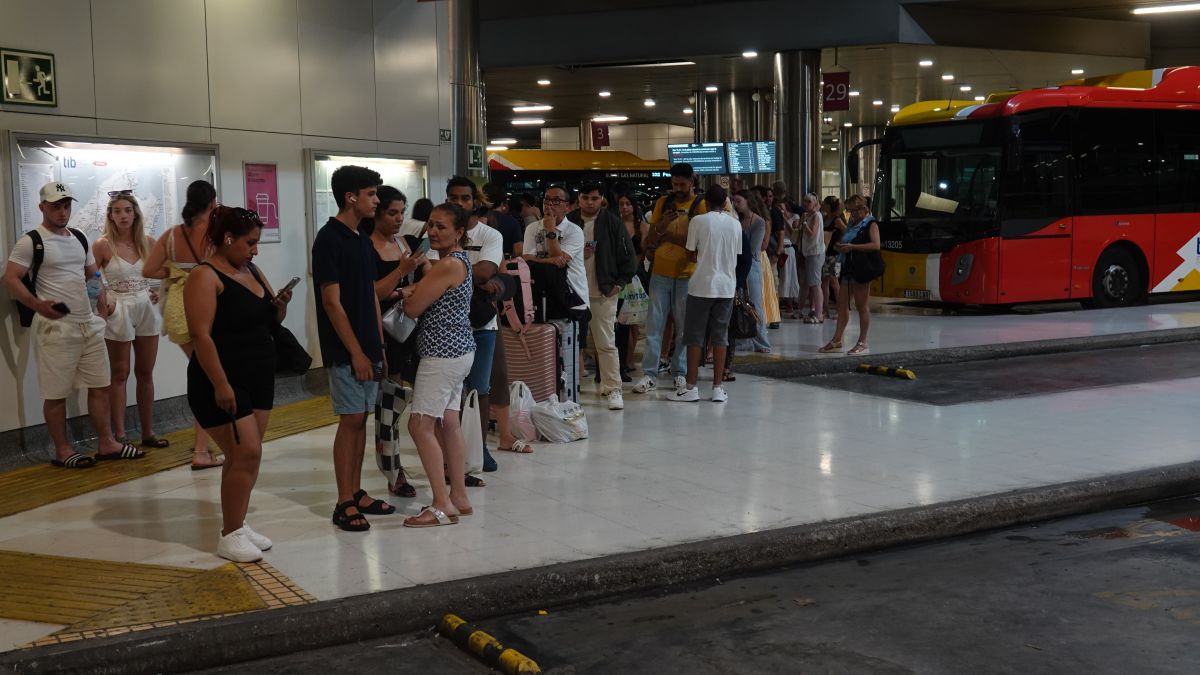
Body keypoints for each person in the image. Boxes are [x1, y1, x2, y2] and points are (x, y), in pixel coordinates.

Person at [3, 182, 141, 468]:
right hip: (56, 327)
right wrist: (36, 304)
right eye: (55, 206)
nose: (62, 212)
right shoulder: (31, 241)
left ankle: (107, 443)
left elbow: (92, 275)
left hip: (87, 323)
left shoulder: (79, 237)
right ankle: (63, 450)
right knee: (56, 393)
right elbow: (11, 277)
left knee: (100, 385)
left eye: (66, 206)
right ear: (42, 207)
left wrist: (100, 308)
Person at [185, 206, 293, 561]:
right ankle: (229, 534)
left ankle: (237, 522)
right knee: (246, 452)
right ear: (228, 239)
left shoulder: (252, 270)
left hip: (258, 374)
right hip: (222, 379)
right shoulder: (204, 276)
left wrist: (280, 306)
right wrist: (220, 384)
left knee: (246, 455)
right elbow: (201, 336)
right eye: (250, 243)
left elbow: (270, 319)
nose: (255, 250)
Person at [313, 165, 391, 532]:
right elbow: (332, 302)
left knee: (362, 419)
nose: (376, 200)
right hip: (346, 349)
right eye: (371, 194)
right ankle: (344, 501)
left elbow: (370, 295)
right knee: (351, 420)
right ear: (350, 197)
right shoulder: (328, 239)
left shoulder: (361, 238)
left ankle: (356, 491)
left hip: (369, 346)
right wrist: (356, 352)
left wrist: (378, 345)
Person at [399, 203, 476, 527]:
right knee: (449, 423)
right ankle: (459, 496)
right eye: (430, 225)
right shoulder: (457, 262)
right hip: (459, 351)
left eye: (441, 227)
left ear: (459, 232)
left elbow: (414, 308)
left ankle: (441, 503)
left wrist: (409, 294)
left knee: (419, 425)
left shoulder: (447, 264)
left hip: (441, 355)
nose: (432, 231)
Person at [144, 180, 223, 470]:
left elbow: (148, 269)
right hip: (206, 307)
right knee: (209, 378)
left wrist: (175, 271)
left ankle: (206, 444)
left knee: (203, 373)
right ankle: (202, 450)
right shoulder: (215, 234)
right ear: (212, 203)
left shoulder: (171, 235)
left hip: (178, 310)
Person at [93, 192, 167, 448]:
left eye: (127, 210)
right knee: (120, 373)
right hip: (119, 306)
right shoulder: (102, 245)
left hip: (145, 305)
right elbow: (90, 279)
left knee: (146, 372)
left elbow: (167, 270)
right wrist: (104, 303)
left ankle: (148, 432)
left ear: (135, 213)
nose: (123, 216)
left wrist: (160, 291)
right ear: (110, 216)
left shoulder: (148, 242)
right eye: (117, 211)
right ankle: (120, 434)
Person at [367, 186, 425, 498]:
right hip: (384, 333)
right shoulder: (367, 246)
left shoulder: (406, 243)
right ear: (376, 213)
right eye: (392, 213)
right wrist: (402, 279)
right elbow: (371, 294)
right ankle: (394, 470)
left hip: (411, 328)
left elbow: (427, 277)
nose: (399, 219)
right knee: (389, 405)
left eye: (402, 212)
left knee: (414, 402)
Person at [446, 176, 504, 478]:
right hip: (445, 325)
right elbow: (429, 270)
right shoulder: (438, 231)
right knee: (451, 392)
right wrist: (475, 277)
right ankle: (453, 452)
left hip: (482, 324)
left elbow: (486, 270)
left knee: (480, 389)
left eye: (465, 198)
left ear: (475, 202)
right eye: (453, 198)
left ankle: (479, 448)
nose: (459, 203)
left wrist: (449, 273)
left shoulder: (490, 234)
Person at [632, 163, 707, 395]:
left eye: (682, 184)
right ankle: (650, 373)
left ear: (692, 182)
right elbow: (650, 239)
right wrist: (663, 225)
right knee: (655, 324)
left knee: (684, 326)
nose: (678, 189)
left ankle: (680, 372)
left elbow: (699, 242)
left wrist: (670, 237)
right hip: (660, 272)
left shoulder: (700, 205)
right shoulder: (663, 203)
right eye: (675, 184)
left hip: (687, 274)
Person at [667, 185, 741, 403]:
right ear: (725, 202)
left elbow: (690, 253)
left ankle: (691, 387)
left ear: (706, 203)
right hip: (726, 287)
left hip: (701, 286)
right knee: (720, 337)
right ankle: (718, 388)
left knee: (694, 336)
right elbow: (736, 253)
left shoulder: (698, 221)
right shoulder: (735, 224)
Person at [567, 182, 636, 411]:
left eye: (594, 198)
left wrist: (619, 284)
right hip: (573, 292)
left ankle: (613, 388)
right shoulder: (569, 222)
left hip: (603, 291)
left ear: (602, 199)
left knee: (605, 343)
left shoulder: (612, 222)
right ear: (578, 198)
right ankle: (566, 389)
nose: (589, 202)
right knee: (570, 344)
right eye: (585, 197)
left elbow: (628, 257)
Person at [820, 195, 879, 356]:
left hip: (862, 268)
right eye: (849, 211)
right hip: (848, 267)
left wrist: (852, 247)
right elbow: (846, 239)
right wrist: (841, 246)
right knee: (842, 304)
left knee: (861, 306)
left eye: (854, 210)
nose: (851, 214)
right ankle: (837, 339)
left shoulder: (871, 224)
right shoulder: (853, 224)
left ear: (863, 209)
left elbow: (875, 245)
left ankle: (862, 341)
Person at [615, 192, 649, 376]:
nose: (625, 207)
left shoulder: (642, 226)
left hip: (636, 275)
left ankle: (629, 358)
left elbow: (643, 252)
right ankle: (620, 359)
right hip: (618, 275)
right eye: (621, 203)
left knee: (634, 320)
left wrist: (632, 269)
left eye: (628, 203)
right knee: (620, 319)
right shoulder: (615, 224)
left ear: (634, 206)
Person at [733, 190, 771, 353]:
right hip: (736, 266)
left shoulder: (759, 222)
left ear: (748, 201)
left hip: (752, 266)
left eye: (738, 201)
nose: (736, 205)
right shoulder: (735, 220)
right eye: (734, 201)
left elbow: (754, 249)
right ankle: (742, 339)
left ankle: (762, 342)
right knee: (739, 303)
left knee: (755, 303)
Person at [799, 193, 826, 323]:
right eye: (804, 201)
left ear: (815, 203)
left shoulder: (816, 216)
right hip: (809, 253)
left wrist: (804, 223)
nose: (805, 203)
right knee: (812, 283)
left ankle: (819, 314)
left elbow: (812, 234)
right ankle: (815, 311)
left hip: (815, 253)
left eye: (809, 201)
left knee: (816, 284)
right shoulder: (809, 215)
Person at [821, 196, 847, 320]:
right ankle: (825, 309)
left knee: (834, 282)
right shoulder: (825, 218)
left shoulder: (836, 220)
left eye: (824, 203)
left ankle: (840, 309)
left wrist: (839, 242)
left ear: (828, 205)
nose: (822, 204)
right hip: (825, 253)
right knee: (825, 282)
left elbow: (846, 231)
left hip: (834, 254)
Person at [483, 183, 524, 257]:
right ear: (503, 201)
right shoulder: (513, 222)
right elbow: (518, 252)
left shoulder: (474, 221)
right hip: (506, 262)